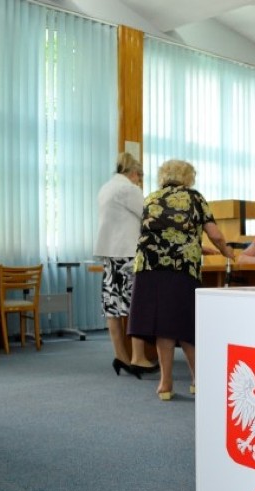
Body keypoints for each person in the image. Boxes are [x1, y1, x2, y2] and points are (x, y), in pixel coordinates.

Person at [128, 159, 237, 400]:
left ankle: (165, 383)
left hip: (148, 266)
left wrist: (197, 247)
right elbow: (215, 234)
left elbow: (161, 234)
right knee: (186, 322)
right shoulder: (194, 197)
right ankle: (198, 379)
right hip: (180, 268)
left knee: (163, 324)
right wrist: (226, 251)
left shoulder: (151, 198)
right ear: (188, 177)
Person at [93, 152, 159, 380]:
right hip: (129, 254)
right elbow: (149, 217)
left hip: (110, 254)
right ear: (134, 173)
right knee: (136, 305)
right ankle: (138, 357)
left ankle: (121, 355)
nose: (140, 182)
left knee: (113, 306)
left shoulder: (106, 188)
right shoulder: (129, 189)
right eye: (140, 178)